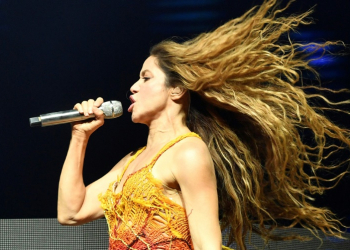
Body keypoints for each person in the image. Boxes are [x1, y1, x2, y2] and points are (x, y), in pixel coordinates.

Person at [57, 0, 350, 249]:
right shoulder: (130, 163)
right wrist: (79, 136)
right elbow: (71, 212)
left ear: (177, 89)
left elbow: (207, 245)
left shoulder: (188, 153)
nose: (132, 87)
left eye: (146, 78)